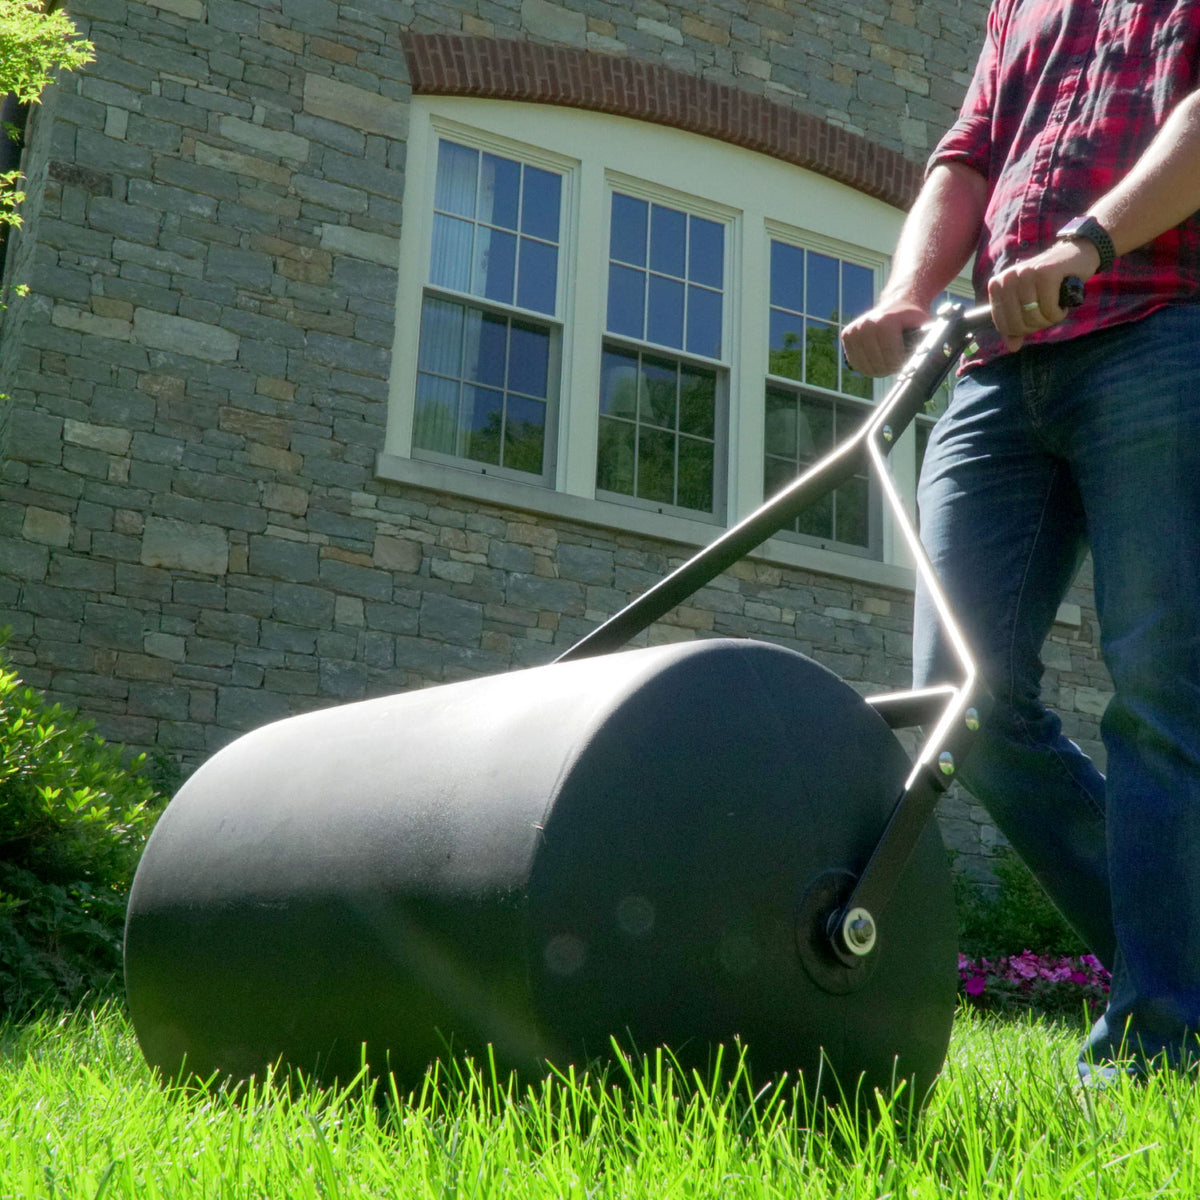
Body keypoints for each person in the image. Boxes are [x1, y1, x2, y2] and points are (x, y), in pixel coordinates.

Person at [842, 0, 1200, 1082]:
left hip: (1163, 326)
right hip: (998, 367)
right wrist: (907, 293)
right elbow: (970, 155)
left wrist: (1085, 242)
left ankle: (1158, 1031)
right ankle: (1181, 971)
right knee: (961, 698)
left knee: (1161, 695)